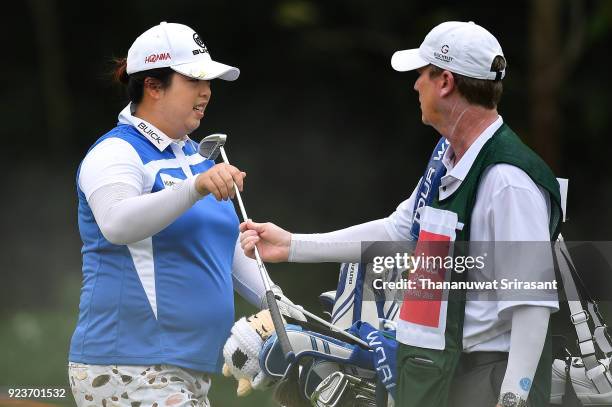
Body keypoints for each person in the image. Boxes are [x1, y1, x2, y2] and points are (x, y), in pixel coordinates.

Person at [239, 21, 563, 407]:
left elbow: (531, 302)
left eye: (421, 74)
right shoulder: (448, 156)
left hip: (487, 377)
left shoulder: (506, 179)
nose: (415, 85)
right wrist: (292, 245)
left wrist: (514, 398)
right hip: (443, 372)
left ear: (445, 81)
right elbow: (401, 229)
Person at [68, 21, 301, 406]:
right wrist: (195, 188)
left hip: (187, 370)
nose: (206, 91)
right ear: (153, 86)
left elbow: (227, 252)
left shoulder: (197, 156)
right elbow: (116, 223)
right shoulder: (115, 152)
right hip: (126, 364)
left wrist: (284, 313)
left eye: (208, 82)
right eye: (193, 80)